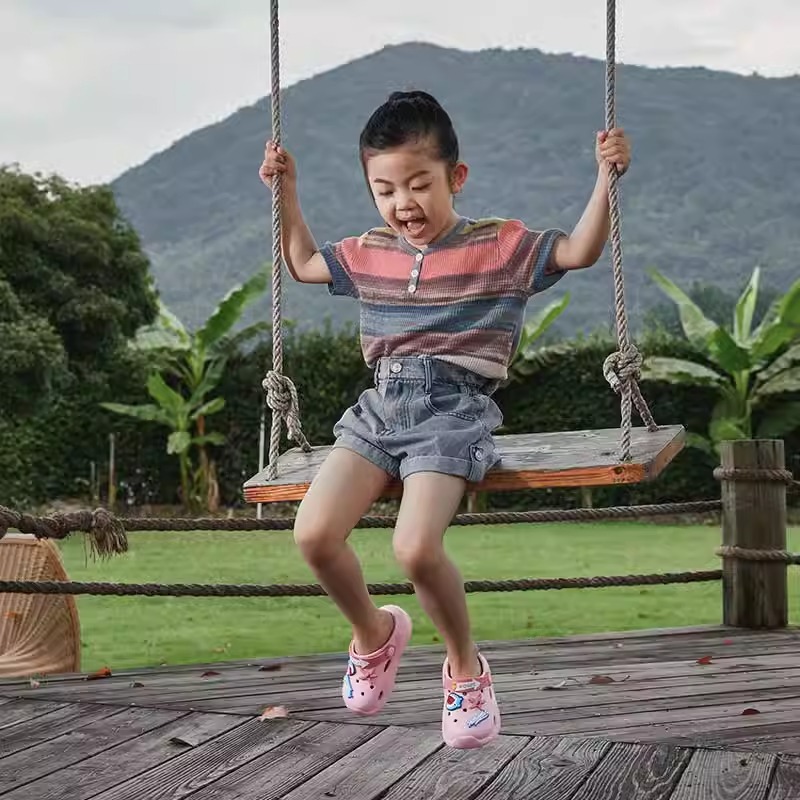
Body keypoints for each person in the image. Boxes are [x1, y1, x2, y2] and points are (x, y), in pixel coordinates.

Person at [258, 89, 631, 749]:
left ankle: (465, 669)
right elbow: (303, 262)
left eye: (419, 184)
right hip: (378, 409)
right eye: (385, 189)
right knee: (313, 534)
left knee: (415, 547)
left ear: (455, 178)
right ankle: (376, 634)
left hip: (452, 412)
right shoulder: (370, 249)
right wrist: (286, 190)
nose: (404, 203)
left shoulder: (498, 246)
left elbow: (578, 250)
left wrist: (606, 177)